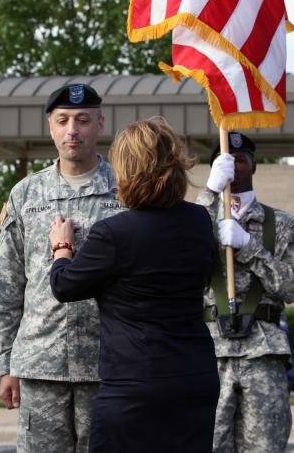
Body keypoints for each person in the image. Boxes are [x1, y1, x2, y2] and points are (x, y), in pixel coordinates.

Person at [49, 118, 220, 453]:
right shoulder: (199, 222)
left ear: (126, 170)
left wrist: (62, 248)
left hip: (134, 386)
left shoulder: (112, 233)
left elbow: (64, 287)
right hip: (195, 378)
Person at [0, 83, 123, 453]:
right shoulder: (26, 194)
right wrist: (5, 362)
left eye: (82, 120)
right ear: (51, 126)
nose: (72, 130)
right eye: (62, 120)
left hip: (107, 366)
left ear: (99, 123)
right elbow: (7, 282)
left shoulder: (125, 191)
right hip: (39, 367)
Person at [197, 131, 294, 453]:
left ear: (253, 166)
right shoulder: (197, 221)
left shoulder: (280, 224)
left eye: (240, 160)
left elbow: (291, 286)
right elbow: (177, 262)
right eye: (225, 161)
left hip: (263, 353)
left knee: (265, 446)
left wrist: (250, 247)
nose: (234, 167)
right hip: (209, 352)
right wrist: (209, 194)